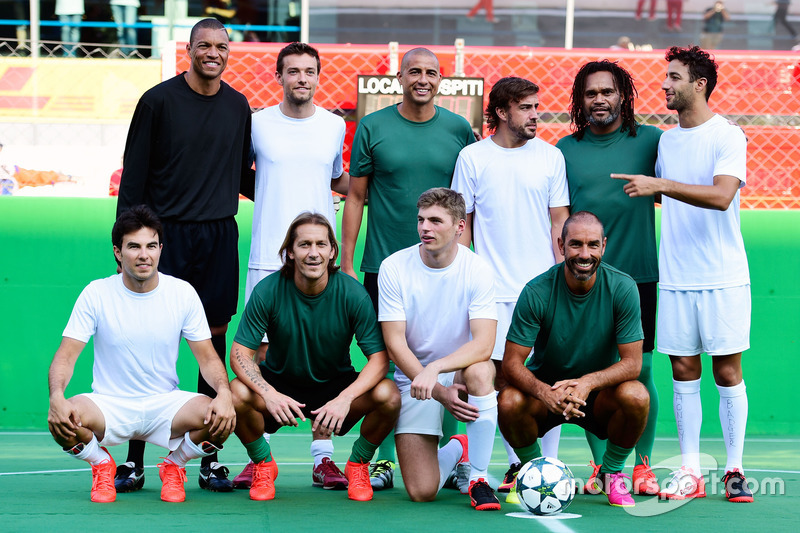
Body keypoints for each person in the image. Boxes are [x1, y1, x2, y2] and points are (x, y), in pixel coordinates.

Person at [115, 17, 253, 494]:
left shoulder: (238, 106)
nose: (213, 52)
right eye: (204, 45)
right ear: (189, 50)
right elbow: (134, 178)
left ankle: (206, 458)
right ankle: (134, 459)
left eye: (222, 45)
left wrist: (310, 189)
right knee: (153, 343)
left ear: (229, 51)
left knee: (210, 346)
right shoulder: (157, 102)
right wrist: (131, 245)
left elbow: (243, 176)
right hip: (166, 237)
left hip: (217, 238)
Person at [612, 45, 754, 503]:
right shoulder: (666, 140)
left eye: (674, 77)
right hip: (675, 277)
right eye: (665, 76)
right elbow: (661, 195)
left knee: (727, 372)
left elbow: (720, 196)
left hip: (724, 275)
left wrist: (662, 185)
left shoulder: (727, 136)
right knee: (683, 371)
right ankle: (690, 470)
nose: (665, 85)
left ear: (699, 84)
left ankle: (734, 469)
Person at [341, 47, 475, 489]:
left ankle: (455, 453)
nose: (423, 78)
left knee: (452, 357)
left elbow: (464, 205)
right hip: (384, 265)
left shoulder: (458, 129)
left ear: (442, 80)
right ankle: (378, 459)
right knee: (385, 360)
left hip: (444, 268)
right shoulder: (373, 127)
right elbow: (356, 197)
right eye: (414, 71)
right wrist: (346, 261)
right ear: (399, 77)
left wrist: (465, 256)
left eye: (431, 72)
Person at [47, 205, 236, 504]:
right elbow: (66, 356)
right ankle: (101, 463)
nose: (143, 254)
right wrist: (56, 395)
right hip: (109, 404)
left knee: (223, 417)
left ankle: (174, 465)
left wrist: (224, 392)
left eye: (151, 246)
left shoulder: (182, 293)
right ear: (118, 252)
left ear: (161, 249)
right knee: (62, 421)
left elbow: (208, 359)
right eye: (133, 246)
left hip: (166, 404)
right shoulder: (96, 293)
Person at [233, 41, 350, 491]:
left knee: (328, 353)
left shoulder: (334, 126)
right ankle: (260, 456)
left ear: (318, 77)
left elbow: (338, 178)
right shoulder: (257, 123)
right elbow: (242, 174)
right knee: (259, 358)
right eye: (293, 71)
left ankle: (323, 459)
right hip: (267, 257)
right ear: (278, 76)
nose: (302, 78)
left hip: (321, 259)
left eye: (309, 71)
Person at [228, 212, 400, 502]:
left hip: (335, 387)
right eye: (305, 244)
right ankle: (263, 464)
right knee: (236, 392)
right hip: (280, 386)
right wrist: (269, 393)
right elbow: (239, 354)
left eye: (321, 244)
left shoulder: (352, 293)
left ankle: (358, 465)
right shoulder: (268, 290)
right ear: (290, 252)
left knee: (390, 394)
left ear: (333, 251)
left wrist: (345, 398)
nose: (313, 253)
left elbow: (379, 359)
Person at [451, 76, 569, 499]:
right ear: (502, 112)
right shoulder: (472, 157)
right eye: (527, 107)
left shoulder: (551, 157)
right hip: (490, 292)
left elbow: (560, 223)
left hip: (541, 292)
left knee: (546, 379)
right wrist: (466, 283)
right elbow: (463, 227)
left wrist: (562, 285)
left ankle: (547, 465)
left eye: (538, 106)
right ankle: (515, 462)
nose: (536, 114)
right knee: (497, 378)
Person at [556, 60, 662, 496]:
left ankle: (641, 465)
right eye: (590, 93)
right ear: (580, 101)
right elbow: (558, 213)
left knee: (642, 372)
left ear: (624, 96)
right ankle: (602, 467)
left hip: (638, 275)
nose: (599, 99)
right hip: (584, 278)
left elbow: (698, 151)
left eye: (608, 91)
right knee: (592, 373)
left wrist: (729, 133)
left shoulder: (652, 141)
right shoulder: (564, 148)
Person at [498, 211, 649, 508]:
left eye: (593, 245)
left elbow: (633, 363)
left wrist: (587, 383)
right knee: (509, 400)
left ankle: (611, 473)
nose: (584, 254)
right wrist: (544, 391)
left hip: (597, 396)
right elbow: (511, 364)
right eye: (576, 244)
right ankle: (532, 473)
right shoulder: (536, 291)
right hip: (547, 395)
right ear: (561, 245)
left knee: (637, 395)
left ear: (603, 246)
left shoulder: (623, 287)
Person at [379, 187, 500, 511]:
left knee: (480, 369)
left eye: (435, 220)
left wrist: (436, 370)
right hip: (415, 381)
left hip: (457, 372)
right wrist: (432, 384)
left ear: (460, 226)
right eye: (421, 220)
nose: (425, 228)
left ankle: (479, 478)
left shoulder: (478, 269)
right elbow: (394, 343)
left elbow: (484, 343)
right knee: (422, 491)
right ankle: (459, 447)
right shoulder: (393, 267)